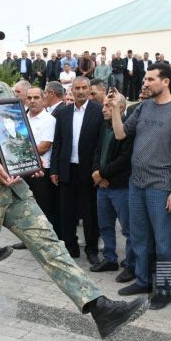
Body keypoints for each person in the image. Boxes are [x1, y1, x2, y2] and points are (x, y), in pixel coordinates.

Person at [0, 16, 147, 341]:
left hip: (14, 187)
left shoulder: (2, 89)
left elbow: (14, 137)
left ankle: (97, 306)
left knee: (51, 244)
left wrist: (25, 157)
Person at [109, 63, 171, 310]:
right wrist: (115, 110)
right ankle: (144, 280)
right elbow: (121, 134)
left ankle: (164, 289)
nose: (144, 83)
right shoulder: (144, 106)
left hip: (162, 185)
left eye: (150, 79)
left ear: (166, 81)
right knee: (139, 237)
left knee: (164, 242)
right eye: (144, 79)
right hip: (137, 183)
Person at [51, 76, 103, 263]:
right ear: (71, 90)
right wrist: (54, 169)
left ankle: (91, 249)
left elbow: (100, 144)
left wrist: (98, 170)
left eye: (84, 88)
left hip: (89, 170)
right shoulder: (63, 113)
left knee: (89, 211)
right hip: (67, 169)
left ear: (90, 90)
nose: (80, 91)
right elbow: (57, 143)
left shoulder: (98, 111)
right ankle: (70, 247)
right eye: (77, 88)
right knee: (67, 211)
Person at [91, 95, 133, 275]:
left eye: (108, 106)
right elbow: (97, 152)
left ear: (120, 108)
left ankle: (131, 262)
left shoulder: (128, 128)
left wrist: (102, 173)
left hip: (120, 187)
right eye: (103, 106)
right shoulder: (103, 127)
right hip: (102, 186)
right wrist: (97, 174)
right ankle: (110, 259)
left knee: (128, 228)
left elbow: (125, 160)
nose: (103, 109)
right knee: (105, 225)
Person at [23, 87, 58, 233]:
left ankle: (47, 240)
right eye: (29, 98)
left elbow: (44, 147)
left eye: (36, 97)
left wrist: (18, 152)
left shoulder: (49, 120)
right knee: (26, 207)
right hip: (24, 168)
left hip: (41, 170)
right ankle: (31, 239)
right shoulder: (22, 117)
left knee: (43, 208)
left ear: (43, 99)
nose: (32, 101)